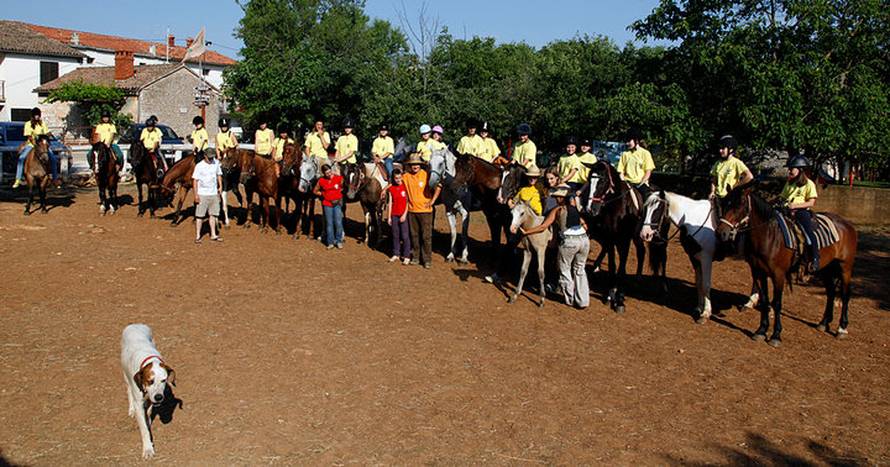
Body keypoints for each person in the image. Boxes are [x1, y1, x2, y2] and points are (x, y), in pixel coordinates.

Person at [520, 184, 589, 309]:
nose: (556, 199)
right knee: (580, 269)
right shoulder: (574, 208)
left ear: (561, 198)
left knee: (565, 269)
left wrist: (526, 232)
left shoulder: (558, 210)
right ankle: (583, 300)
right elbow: (585, 225)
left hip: (569, 242)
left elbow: (543, 227)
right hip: (584, 240)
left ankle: (570, 299)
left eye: (558, 197)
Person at [781, 156, 820, 273]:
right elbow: (782, 197)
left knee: (808, 234)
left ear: (800, 170)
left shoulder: (809, 184)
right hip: (786, 211)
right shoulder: (789, 183)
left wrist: (795, 206)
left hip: (801, 212)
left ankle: (815, 258)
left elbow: (811, 202)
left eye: (792, 168)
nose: (789, 171)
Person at [402, 153, 441, 268]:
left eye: (417, 164)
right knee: (414, 235)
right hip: (411, 211)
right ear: (410, 165)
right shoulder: (406, 176)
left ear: (420, 165)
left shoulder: (426, 175)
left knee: (426, 236)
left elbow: (438, 187)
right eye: (413, 164)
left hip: (426, 211)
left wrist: (433, 201)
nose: (415, 166)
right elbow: (396, 185)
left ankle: (427, 259)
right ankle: (415, 257)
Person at [14, 107, 60, 188]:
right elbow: (29, 136)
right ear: (33, 116)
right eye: (36, 115)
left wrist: (49, 134)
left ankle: (55, 179)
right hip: (31, 145)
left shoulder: (42, 124)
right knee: (22, 158)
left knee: (53, 159)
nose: (37, 117)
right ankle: (18, 178)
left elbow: (46, 132)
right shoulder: (28, 124)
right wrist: (34, 143)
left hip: (42, 146)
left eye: (38, 115)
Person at [192, 149, 223, 244]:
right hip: (202, 194)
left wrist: (220, 186)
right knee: (200, 216)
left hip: (213, 193)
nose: (211, 159)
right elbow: (195, 181)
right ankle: (198, 235)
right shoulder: (199, 166)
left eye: (212, 157)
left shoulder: (216, 163)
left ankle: (213, 234)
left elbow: (219, 174)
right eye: (209, 157)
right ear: (205, 156)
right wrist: (196, 195)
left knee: (213, 214)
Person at [710, 134, 753, 200]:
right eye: (720, 148)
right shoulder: (718, 163)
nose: (720, 151)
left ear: (731, 149)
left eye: (723, 148)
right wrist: (712, 192)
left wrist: (735, 186)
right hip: (718, 198)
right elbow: (714, 180)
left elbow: (749, 176)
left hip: (730, 198)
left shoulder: (736, 162)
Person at [313, 164, 345, 249]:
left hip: (337, 204)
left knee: (338, 222)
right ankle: (330, 242)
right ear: (324, 173)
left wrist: (338, 194)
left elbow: (343, 187)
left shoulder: (339, 178)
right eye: (327, 173)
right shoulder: (321, 181)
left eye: (330, 172)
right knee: (329, 223)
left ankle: (338, 241)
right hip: (327, 204)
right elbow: (315, 191)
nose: (329, 174)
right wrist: (323, 194)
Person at [617, 127, 655, 200]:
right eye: (626, 141)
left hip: (640, 184)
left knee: (648, 200)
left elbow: (648, 172)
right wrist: (623, 182)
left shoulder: (645, 153)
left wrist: (640, 183)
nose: (627, 143)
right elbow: (621, 171)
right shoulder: (625, 154)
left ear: (636, 141)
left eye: (629, 141)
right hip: (627, 183)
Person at [385, 168, 411, 264]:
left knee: (405, 236)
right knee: (395, 235)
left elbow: (408, 201)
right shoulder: (391, 188)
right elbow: (390, 203)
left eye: (400, 178)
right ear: (393, 178)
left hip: (403, 214)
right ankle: (396, 254)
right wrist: (389, 217)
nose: (398, 180)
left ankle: (406, 255)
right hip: (394, 214)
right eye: (396, 178)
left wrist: (404, 214)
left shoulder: (405, 186)